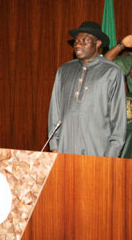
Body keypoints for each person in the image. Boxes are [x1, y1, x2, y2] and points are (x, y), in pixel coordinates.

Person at [48, 21, 126, 157]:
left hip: (98, 152)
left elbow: (118, 120)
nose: (78, 44)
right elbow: (55, 110)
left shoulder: (111, 72)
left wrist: (110, 156)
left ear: (98, 43)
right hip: (65, 151)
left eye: (84, 40)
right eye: (76, 41)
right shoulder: (64, 71)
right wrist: (54, 146)